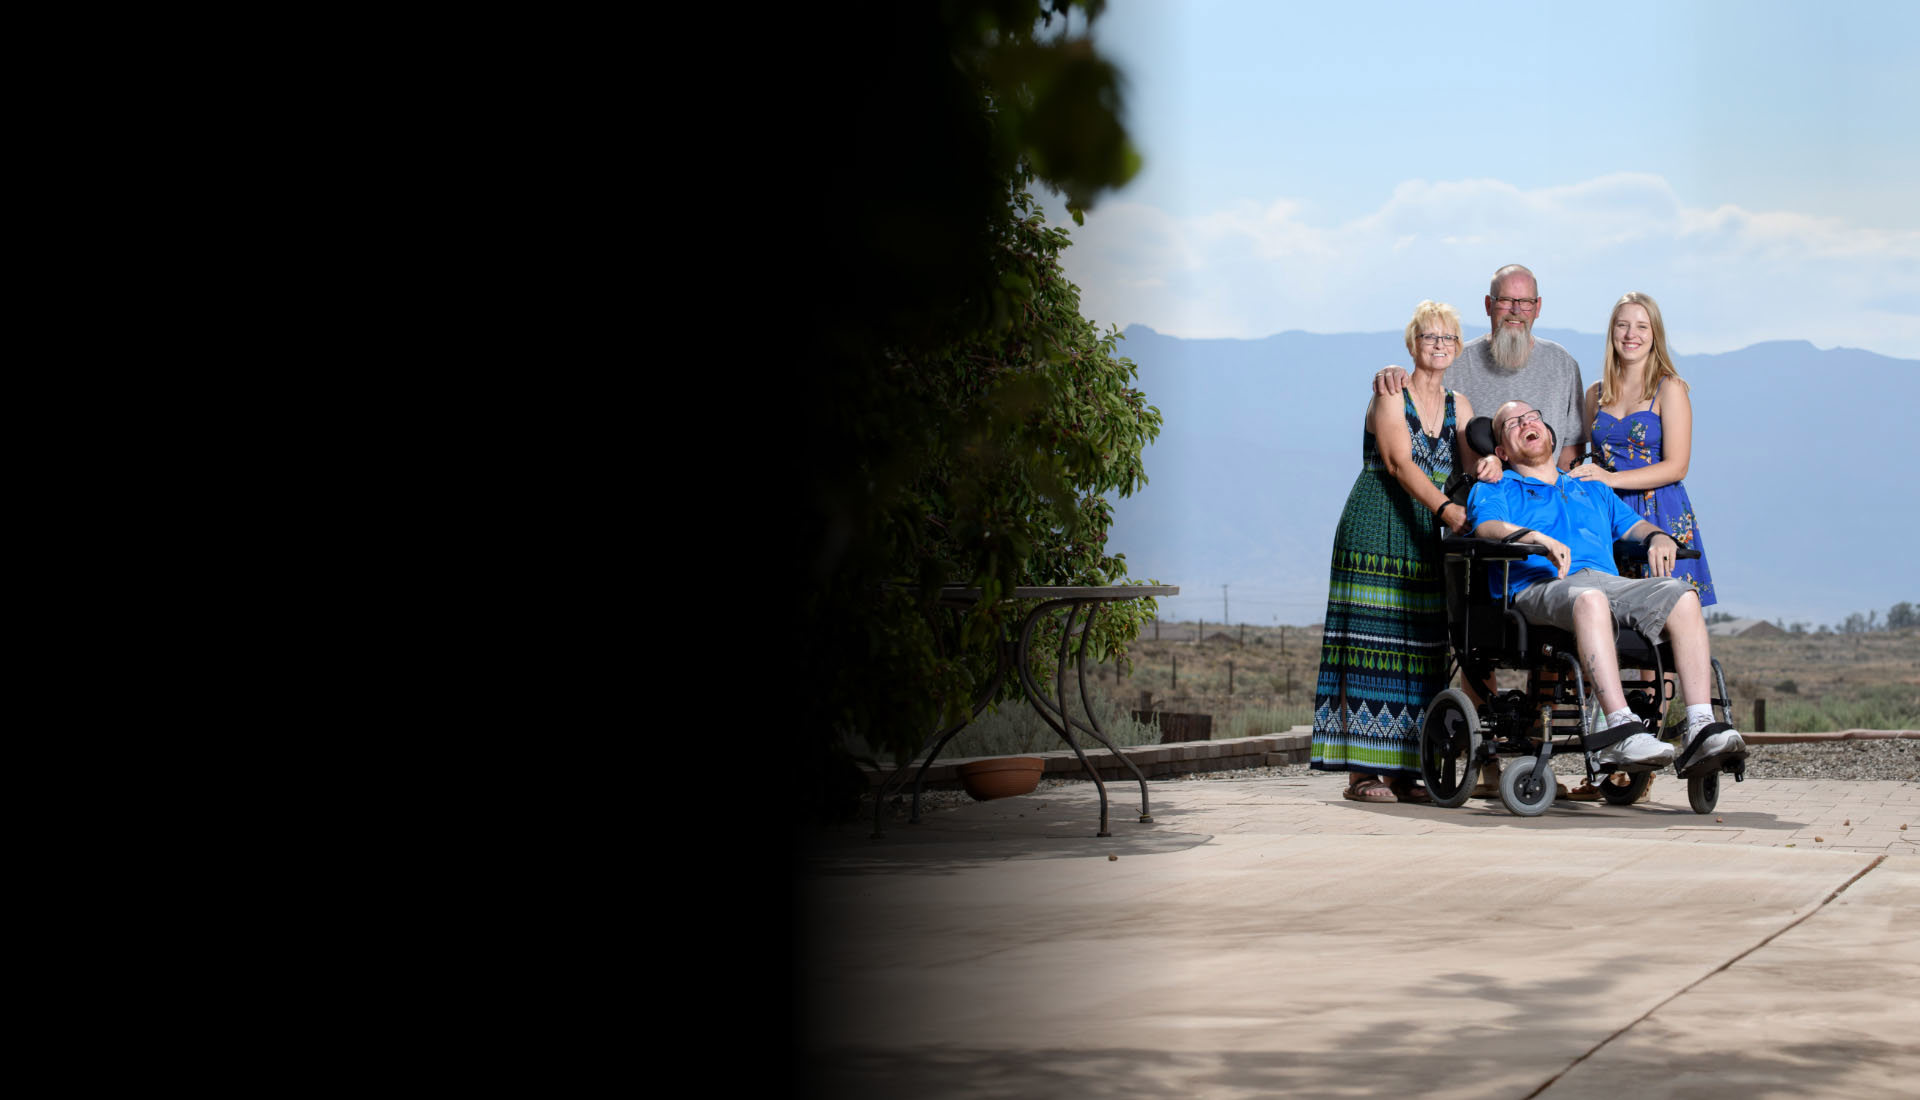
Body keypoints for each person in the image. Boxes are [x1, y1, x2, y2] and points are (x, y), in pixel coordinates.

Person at [1466, 401, 1745, 773]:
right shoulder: (1497, 484)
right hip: (1540, 586)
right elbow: (1486, 528)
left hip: (1606, 582)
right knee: (1590, 599)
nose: (1525, 423)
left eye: (1532, 417)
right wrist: (1534, 537)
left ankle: (1699, 728)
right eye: (1513, 424)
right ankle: (1618, 730)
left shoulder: (1590, 487)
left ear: (1549, 434)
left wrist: (1658, 536)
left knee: (1682, 595)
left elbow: (1634, 527)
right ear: (1501, 450)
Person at [1313, 301, 1476, 803]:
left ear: (1458, 346)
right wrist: (1448, 509)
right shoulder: (1390, 393)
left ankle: (1408, 770)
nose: (1440, 345)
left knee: (1423, 650)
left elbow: (1471, 464)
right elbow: (1400, 464)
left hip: (1425, 535)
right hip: (1377, 526)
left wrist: (1489, 466)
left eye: (1448, 338)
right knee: (1370, 644)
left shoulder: (1460, 405)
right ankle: (1362, 773)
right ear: (1412, 344)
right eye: (1430, 337)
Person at [1561, 292, 1717, 801]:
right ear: (1612, 333)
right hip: (1610, 521)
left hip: (1659, 516)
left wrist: (1609, 478)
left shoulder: (1669, 389)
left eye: (1642, 327)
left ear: (1655, 335)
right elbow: (1584, 460)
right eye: (1623, 325)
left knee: (1659, 645)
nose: (1631, 334)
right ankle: (1619, 749)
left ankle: (1653, 758)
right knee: (1612, 630)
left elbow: (1677, 466)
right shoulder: (1595, 393)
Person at [1375, 264, 1585, 477]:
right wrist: (1394, 372)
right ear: (1488, 305)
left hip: (1545, 503)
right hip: (1468, 502)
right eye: (1505, 300)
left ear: (1537, 307)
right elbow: (1418, 402)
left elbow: (1571, 452)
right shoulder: (1455, 360)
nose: (1516, 310)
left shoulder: (1562, 364)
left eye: (1526, 302)